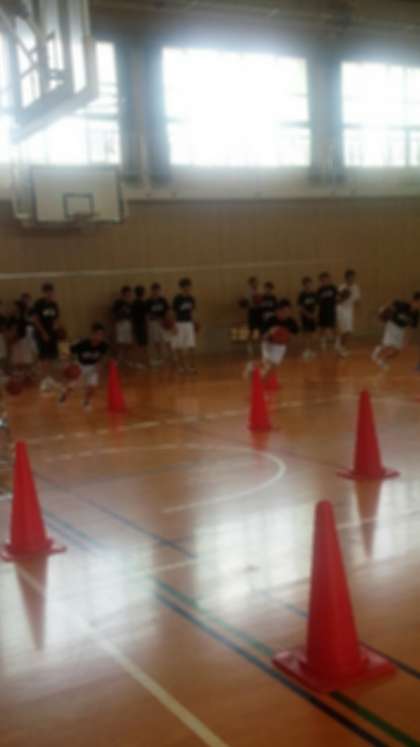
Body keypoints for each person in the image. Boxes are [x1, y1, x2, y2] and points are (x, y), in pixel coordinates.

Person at [59, 323, 109, 410]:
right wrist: (66, 364)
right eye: (98, 334)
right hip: (80, 365)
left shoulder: (104, 345)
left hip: (93, 366)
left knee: (93, 386)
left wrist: (100, 364)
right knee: (72, 385)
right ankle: (64, 396)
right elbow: (66, 350)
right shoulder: (82, 343)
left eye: (102, 335)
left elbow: (102, 357)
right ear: (93, 334)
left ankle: (86, 401)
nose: (100, 337)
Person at [372, 293, 420, 370]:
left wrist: (407, 340)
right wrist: (382, 310)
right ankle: (378, 352)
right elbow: (392, 303)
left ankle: (382, 359)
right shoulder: (403, 305)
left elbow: (412, 328)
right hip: (392, 325)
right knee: (388, 345)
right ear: (415, 301)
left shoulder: (416, 314)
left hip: (401, 330)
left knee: (397, 351)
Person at [32, 283, 60, 391]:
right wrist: (43, 333)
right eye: (48, 292)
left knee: (52, 357)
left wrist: (56, 328)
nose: (50, 294)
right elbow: (35, 320)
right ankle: (43, 381)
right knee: (43, 357)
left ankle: (50, 379)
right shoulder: (38, 304)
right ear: (44, 293)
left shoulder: (54, 305)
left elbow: (56, 318)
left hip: (52, 334)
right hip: (41, 333)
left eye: (51, 292)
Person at [260, 299, 299, 377]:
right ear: (278, 311)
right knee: (268, 364)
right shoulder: (270, 320)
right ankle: (259, 375)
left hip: (281, 346)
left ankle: (257, 372)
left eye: (288, 311)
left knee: (273, 366)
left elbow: (295, 334)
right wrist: (270, 332)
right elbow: (262, 337)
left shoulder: (291, 321)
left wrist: (288, 336)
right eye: (284, 311)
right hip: (268, 344)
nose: (286, 313)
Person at [172, 277, 198, 373]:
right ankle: (181, 367)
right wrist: (174, 325)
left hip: (189, 324)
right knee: (179, 346)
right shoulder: (177, 299)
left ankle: (192, 367)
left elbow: (192, 312)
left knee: (191, 346)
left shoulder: (191, 298)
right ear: (182, 287)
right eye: (186, 286)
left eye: (189, 286)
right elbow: (174, 313)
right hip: (179, 324)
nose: (188, 288)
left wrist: (194, 322)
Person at [8, 294, 37, 378]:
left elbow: (24, 331)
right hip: (14, 341)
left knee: (26, 360)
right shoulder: (12, 318)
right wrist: (11, 339)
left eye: (14, 307)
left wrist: (16, 337)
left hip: (23, 341)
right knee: (16, 361)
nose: (12, 308)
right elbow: (9, 329)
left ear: (19, 308)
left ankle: (28, 375)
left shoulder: (23, 318)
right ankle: (19, 375)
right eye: (12, 307)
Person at [336, 269, 361, 357]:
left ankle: (339, 345)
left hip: (350, 310)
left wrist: (358, 306)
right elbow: (337, 301)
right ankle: (341, 348)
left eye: (353, 277)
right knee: (344, 330)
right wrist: (344, 296)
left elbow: (357, 300)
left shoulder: (356, 287)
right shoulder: (341, 287)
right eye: (350, 277)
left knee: (349, 331)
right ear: (346, 278)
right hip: (341, 310)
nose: (352, 279)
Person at [146, 283, 169, 366]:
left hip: (163, 323)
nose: (156, 292)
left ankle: (169, 357)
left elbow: (167, 311)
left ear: (159, 291)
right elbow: (147, 314)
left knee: (167, 339)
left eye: (158, 290)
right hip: (154, 323)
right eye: (154, 290)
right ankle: (160, 357)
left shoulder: (163, 300)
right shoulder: (148, 301)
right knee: (156, 341)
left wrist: (166, 320)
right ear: (152, 291)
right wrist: (156, 319)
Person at [239, 277, 262, 357]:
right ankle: (249, 346)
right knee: (251, 330)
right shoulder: (248, 292)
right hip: (252, 311)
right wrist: (248, 304)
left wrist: (259, 301)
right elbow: (245, 304)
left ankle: (262, 345)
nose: (255, 284)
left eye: (256, 282)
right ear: (250, 283)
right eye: (253, 282)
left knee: (261, 329)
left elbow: (261, 300)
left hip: (259, 311)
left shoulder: (260, 290)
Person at [297, 277, 318, 360]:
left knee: (312, 334)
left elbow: (317, 305)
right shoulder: (301, 295)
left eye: (309, 284)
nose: (308, 285)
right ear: (303, 285)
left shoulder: (314, 294)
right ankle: (306, 351)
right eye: (306, 284)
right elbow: (300, 308)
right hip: (305, 317)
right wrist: (308, 314)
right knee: (305, 334)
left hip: (313, 317)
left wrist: (315, 314)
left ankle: (311, 350)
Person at [112, 286, 133, 364]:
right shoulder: (118, 302)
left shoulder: (131, 303)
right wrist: (117, 320)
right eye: (127, 293)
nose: (128, 295)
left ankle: (126, 359)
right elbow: (113, 314)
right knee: (120, 343)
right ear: (123, 294)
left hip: (128, 324)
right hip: (120, 323)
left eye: (129, 293)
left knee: (128, 343)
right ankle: (118, 359)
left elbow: (132, 315)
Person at [317, 272, 338, 351]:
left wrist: (341, 298)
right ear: (321, 281)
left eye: (326, 279)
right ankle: (323, 343)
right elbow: (317, 302)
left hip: (331, 311)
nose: (324, 281)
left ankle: (337, 343)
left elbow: (338, 298)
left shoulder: (333, 288)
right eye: (322, 280)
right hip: (322, 311)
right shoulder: (319, 290)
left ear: (329, 279)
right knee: (322, 328)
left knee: (334, 328)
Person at [131, 285, 148, 369]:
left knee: (138, 344)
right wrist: (146, 326)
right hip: (141, 325)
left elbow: (132, 316)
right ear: (143, 293)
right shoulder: (143, 303)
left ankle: (138, 362)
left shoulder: (133, 303)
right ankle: (139, 362)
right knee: (141, 345)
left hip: (135, 325)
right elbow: (145, 316)